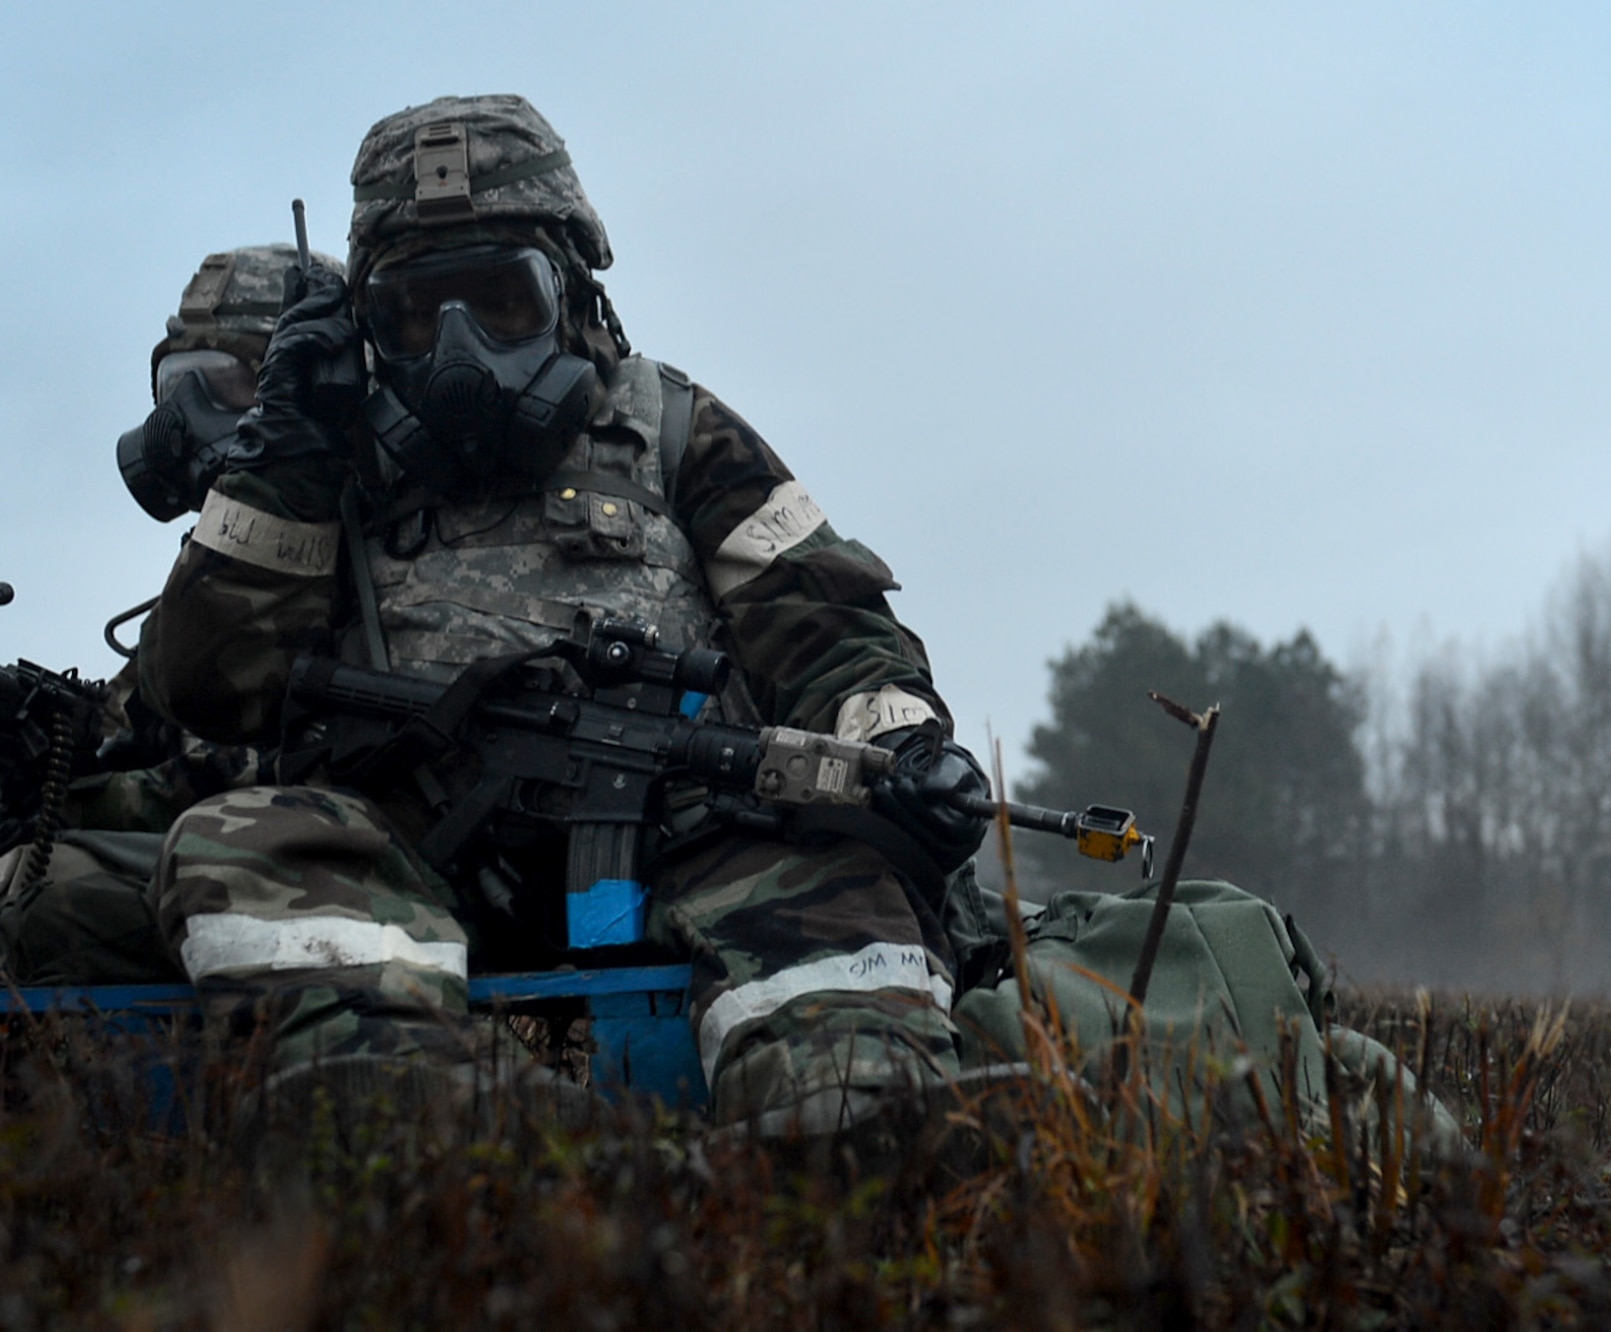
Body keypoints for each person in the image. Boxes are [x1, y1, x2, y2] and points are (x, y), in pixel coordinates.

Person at [136, 95, 988, 1134]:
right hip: (413, 852)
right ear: (366, 317)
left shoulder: (672, 424)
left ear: (571, 293)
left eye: (499, 303)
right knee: (242, 839)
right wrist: (282, 463)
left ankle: (847, 1165)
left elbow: (830, 631)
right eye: (413, 313)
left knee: (834, 900)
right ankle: (498, 1167)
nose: (456, 351)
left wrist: (903, 748)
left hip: (688, 834)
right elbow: (206, 690)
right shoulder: (318, 455)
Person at [0, 244, 324, 986]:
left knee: (33, 897)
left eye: (223, 384)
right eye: (178, 387)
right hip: (229, 871)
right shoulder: (216, 565)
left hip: (313, 867)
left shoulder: (351, 545)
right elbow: (134, 726)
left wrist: (78, 797)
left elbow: (235, 775)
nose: (189, 420)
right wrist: (38, 733)